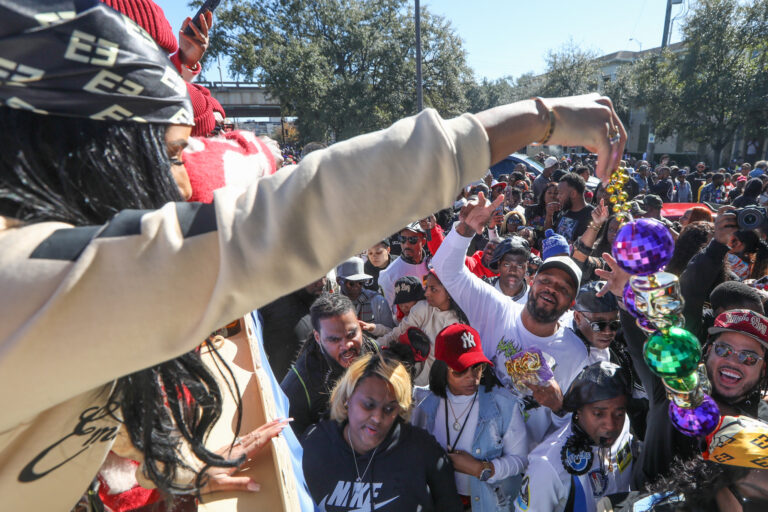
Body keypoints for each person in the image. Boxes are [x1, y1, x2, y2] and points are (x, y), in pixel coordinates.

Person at [0, 6, 628, 504]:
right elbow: (303, 211)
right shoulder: (20, 285)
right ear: (86, 156)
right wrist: (538, 118)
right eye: (168, 155)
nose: (184, 182)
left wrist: (172, 467)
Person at [600, 250, 768, 487]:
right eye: (724, 350)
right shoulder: (671, 386)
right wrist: (627, 295)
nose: (733, 361)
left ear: (764, 369)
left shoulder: (763, 426)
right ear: (707, 351)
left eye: (749, 358)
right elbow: (644, 340)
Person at [432, 194, 588, 446]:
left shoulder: (576, 352)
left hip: (527, 460)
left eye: (563, 288)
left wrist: (558, 406)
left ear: (571, 301)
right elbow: (446, 269)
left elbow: (574, 425)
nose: (551, 289)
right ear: (532, 281)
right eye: (546, 281)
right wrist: (466, 229)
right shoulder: (495, 307)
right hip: (473, 443)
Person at [301, 353, 463, 511]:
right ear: (347, 398)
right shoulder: (315, 444)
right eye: (368, 405)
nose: (377, 418)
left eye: (389, 408)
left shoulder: (422, 450)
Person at [412, 324, 528, 511]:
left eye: (477, 367)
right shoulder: (422, 403)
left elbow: (521, 460)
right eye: (459, 370)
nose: (471, 377)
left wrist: (481, 469)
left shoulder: (503, 404)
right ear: (441, 369)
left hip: (486, 503)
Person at [514, 362, 636, 512]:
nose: (610, 425)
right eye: (598, 414)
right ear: (578, 411)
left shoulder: (624, 425)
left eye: (618, 413)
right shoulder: (548, 465)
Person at [281, 294, 378, 437]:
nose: (346, 346)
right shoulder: (298, 386)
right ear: (318, 337)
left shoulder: (372, 349)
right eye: (334, 339)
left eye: (351, 334)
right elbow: (293, 448)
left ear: (359, 325)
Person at [375, 271, 464, 386]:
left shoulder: (460, 323)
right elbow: (395, 334)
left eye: (433, 289)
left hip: (442, 388)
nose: (426, 293)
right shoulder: (422, 308)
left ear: (449, 291)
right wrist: (373, 346)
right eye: (426, 288)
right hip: (412, 383)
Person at [259, 276, 328, 381]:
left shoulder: (322, 303)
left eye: (324, 276)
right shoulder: (272, 302)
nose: (322, 283)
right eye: (316, 276)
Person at [378, 223, 430, 313]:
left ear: (424, 242)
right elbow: (387, 313)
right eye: (402, 239)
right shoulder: (389, 274)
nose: (406, 245)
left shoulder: (432, 265)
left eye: (412, 240)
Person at [335, 257, 394, 332]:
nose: (357, 286)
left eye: (360, 282)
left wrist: (374, 328)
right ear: (339, 281)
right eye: (351, 283)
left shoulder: (378, 301)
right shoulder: (331, 305)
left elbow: (391, 332)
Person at [487, 237, 531, 303]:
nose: (513, 271)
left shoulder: (534, 299)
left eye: (519, 266)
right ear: (499, 264)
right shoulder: (484, 289)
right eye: (507, 264)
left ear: (527, 266)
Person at [555, 174, 594, 243]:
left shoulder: (593, 215)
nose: (558, 197)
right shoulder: (564, 210)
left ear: (573, 194)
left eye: (560, 193)